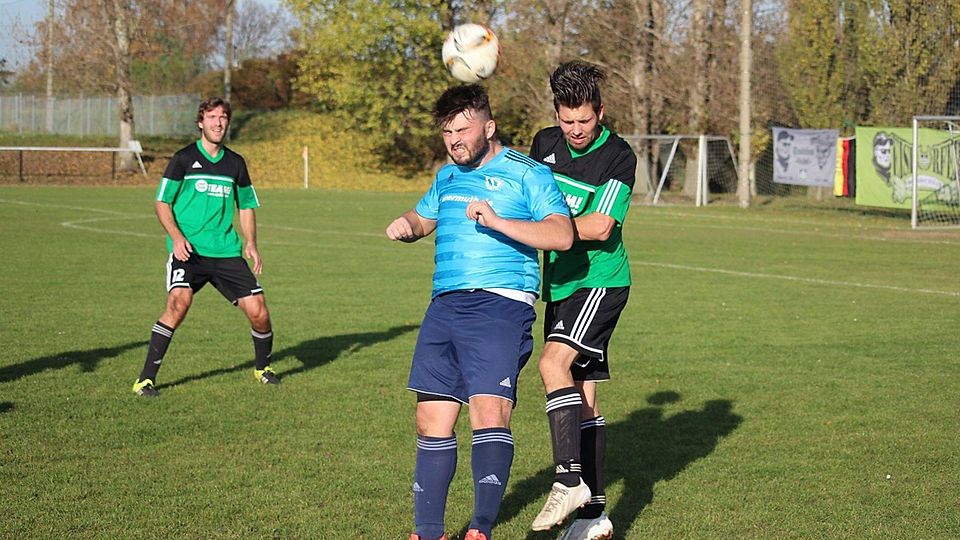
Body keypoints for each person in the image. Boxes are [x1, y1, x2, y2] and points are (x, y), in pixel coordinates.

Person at [386, 84, 573, 540]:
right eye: (447, 132)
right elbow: (425, 217)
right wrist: (408, 224)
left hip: (500, 305)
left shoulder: (528, 173)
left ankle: (481, 529)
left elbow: (562, 234)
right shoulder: (447, 176)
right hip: (444, 306)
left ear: (489, 128)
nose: (454, 141)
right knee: (430, 419)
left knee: (488, 413)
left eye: (462, 130)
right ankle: (428, 532)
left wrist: (499, 222)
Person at [527, 61, 637, 539]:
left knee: (552, 364)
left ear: (601, 113)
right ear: (557, 113)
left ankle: (568, 482)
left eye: (585, 120)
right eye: (567, 120)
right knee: (583, 397)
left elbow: (601, 226)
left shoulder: (618, 155)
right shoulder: (543, 144)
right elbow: (526, 200)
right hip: (560, 285)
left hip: (599, 281)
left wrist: (548, 229)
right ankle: (594, 516)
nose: (575, 129)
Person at [131, 97, 278, 398]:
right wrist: (176, 237)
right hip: (189, 252)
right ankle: (145, 380)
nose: (218, 123)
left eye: (223, 117)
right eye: (211, 117)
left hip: (225, 252)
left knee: (259, 311)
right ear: (201, 122)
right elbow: (162, 202)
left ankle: (262, 368)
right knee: (178, 304)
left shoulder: (235, 163)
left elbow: (246, 206)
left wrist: (251, 242)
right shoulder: (183, 159)